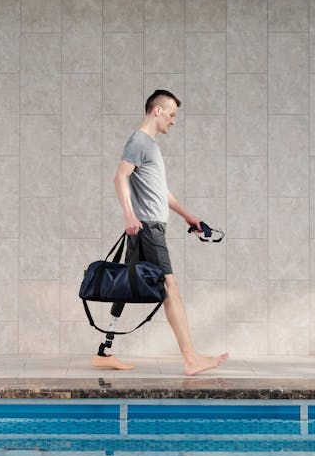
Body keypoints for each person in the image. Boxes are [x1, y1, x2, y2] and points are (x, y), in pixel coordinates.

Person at [91, 89, 229, 376]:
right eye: (172, 114)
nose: (174, 121)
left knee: (127, 283)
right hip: (147, 228)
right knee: (170, 288)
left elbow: (160, 191)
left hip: (148, 226)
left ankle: (104, 351)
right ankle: (190, 358)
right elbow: (119, 177)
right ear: (158, 110)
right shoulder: (139, 141)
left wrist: (189, 216)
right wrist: (130, 215)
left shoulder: (150, 146)